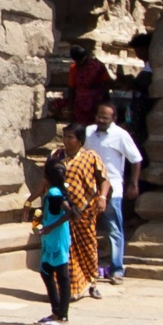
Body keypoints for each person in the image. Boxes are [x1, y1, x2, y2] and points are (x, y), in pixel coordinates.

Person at [84, 99, 142, 282]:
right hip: (89, 189)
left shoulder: (121, 135)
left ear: (114, 118)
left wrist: (133, 183)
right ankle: (86, 266)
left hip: (112, 189)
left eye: (106, 118)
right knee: (86, 227)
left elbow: (136, 159)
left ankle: (116, 269)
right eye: (100, 116)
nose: (102, 120)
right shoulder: (88, 133)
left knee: (113, 229)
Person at [58, 122, 109, 301]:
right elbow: (46, 180)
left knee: (87, 247)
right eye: (64, 136)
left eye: (70, 137)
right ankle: (69, 288)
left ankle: (92, 282)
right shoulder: (57, 156)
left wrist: (102, 197)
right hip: (62, 212)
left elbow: (103, 180)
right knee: (66, 249)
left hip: (85, 211)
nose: (66, 140)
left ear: (79, 140)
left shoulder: (90, 157)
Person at [36, 153, 73, 325]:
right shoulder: (54, 191)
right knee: (48, 272)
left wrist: (50, 226)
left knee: (61, 275)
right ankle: (56, 312)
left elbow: (69, 212)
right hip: (52, 238)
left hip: (57, 237)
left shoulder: (54, 192)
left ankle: (62, 315)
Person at [62, 40, 111, 129]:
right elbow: (72, 88)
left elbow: (106, 84)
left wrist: (103, 103)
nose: (81, 63)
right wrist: (70, 109)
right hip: (80, 106)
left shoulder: (98, 66)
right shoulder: (74, 69)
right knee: (81, 129)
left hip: (96, 104)